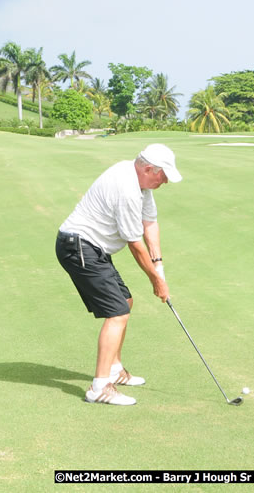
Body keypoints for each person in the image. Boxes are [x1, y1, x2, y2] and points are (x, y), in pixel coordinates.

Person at [56, 144, 182, 405]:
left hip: (92, 248)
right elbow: (135, 244)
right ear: (149, 169)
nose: (166, 181)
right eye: (163, 175)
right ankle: (99, 387)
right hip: (78, 247)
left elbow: (150, 223)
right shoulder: (126, 189)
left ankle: (114, 369)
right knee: (118, 312)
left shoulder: (140, 183)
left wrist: (159, 266)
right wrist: (156, 281)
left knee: (125, 301)